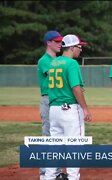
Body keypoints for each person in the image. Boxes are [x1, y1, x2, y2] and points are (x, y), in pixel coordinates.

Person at [45, 34, 92, 180]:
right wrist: (85, 109)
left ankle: (49, 177)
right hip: (69, 110)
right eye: (79, 47)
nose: (80, 50)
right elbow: (76, 88)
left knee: (55, 148)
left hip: (54, 110)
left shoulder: (53, 63)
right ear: (72, 48)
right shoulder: (71, 64)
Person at [37, 30, 64, 180]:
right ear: (48, 43)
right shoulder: (44, 61)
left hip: (58, 100)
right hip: (48, 100)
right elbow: (55, 74)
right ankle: (44, 174)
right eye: (57, 41)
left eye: (61, 41)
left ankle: (56, 172)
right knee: (48, 136)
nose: (60, 44)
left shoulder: (58, 60)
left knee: (58, 137)